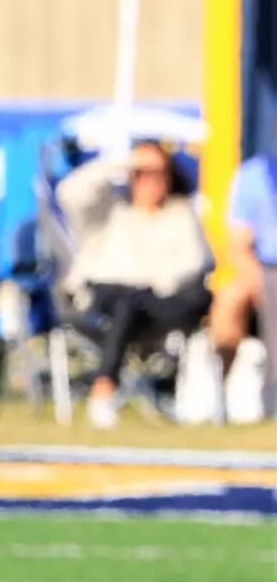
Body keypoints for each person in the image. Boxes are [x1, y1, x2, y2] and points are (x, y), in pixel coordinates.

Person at [56, 141, 213, 427]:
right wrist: (127, 161)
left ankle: (109, 389)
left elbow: (196, 259)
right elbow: (70, 191)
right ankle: (104, 389)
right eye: (144, 173)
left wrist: (159, 282)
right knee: (127, 304)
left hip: (157, 301)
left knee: (195, 296)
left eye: (159, 173)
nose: (152, 181)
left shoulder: (180, 213)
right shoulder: (108, 211)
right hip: (106, 298)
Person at [208, 151, 276, 418]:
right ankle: (218, 396)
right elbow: (239, 244)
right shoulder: (254, 174)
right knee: (230, 302)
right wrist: (258, 285)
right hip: (265, 268)